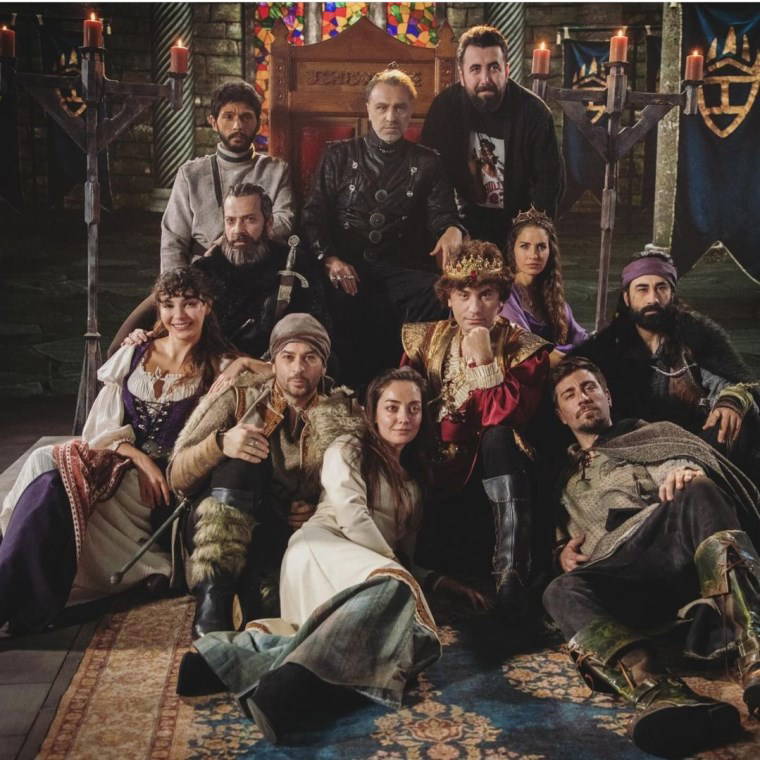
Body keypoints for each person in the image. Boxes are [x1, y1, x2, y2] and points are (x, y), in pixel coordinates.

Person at [175, 367, 487, 743]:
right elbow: (352, 515)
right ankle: (290, 693)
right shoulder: (348, 448)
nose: (404, 417)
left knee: (399, 643)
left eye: (414, 408)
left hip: (367, 569)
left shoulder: (413, 485)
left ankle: (221, 662)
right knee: (396, 607)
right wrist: (398, 577)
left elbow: (403, 555)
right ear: (371, 412)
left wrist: (437, 581)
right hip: (321, 550)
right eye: (392, 407)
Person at [544, 356, 760, 757]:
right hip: (618, 574)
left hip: (663, 540)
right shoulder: (560, 481)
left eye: (589, 387)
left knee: (699, 490)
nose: (583, 398)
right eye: (569, 394)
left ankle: (756, 649)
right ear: (561, 414)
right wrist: (560, 553)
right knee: (559, 590)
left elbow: (681, 462)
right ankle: (658, 692)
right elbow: (557, 537)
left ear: (608, 396)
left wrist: (687, 473)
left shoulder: (650, 434)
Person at [0, 268, 232, 634]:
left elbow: (271, 373)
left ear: (207, 306)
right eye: (168, 305)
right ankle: (20, 597)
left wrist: (244, 363)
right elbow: (100, 426)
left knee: (51, 485)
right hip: (122, 463)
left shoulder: (219, 366)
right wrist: (139, 458)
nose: (178, 315)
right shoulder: (135, 353)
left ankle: (21, 596)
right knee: (46, 474)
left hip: (159, 488)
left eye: (190, 304)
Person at [168, 313, 359, 638]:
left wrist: (319, 511)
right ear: (273, 362)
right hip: (217, 524)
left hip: (285, 531)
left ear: (323, 366)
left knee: (268, 620)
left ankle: (252, 598)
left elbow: (353, 484)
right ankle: (213, 603)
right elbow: (177, 476)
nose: (298, 368)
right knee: (243, 458)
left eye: (309, 358)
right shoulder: (238, 396)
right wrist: (220, 444)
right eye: (288, 357)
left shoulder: (343, 411)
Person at [402, 240, 550, 616]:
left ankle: (510, 574)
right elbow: (400, 396)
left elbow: (504, 414)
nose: (474, 308)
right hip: (430, 473)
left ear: (500, 300)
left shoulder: (524, 349)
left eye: (485, 295)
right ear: (448, 298)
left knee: (499, 437)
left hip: (489, 477)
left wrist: (484, 359)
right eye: (463, 295)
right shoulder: (423, 340)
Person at [302, 67, 466, 387]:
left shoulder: (428, 162)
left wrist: (452, 229)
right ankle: (344, 390)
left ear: (410, 112)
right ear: (368, 109)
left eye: (399, 108)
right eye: (382, 107)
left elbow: (443, 214)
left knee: (439, 293)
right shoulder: (337, 156)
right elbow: (312, 215)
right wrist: (330, 259)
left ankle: (414, 384)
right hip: (346, 268)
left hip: (401, 269)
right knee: (331, 297)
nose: (390, 117)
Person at [573, 248, 759, 480]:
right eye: (642, 289)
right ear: (627, 298)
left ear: (672, 293)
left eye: (661, 288)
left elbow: (733, 381)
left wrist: (730, 401)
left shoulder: (696, 338)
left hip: (699, 446)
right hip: (635, 451)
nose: (652, 298)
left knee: (737, 413)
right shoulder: (606, 351)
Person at [110, 183, 327, 361]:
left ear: (268, 223)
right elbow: (148, 325)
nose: (238, 230)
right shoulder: (205, 271)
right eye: (231, 221)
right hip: (212, 376)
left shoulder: (297, 266)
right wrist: (138, 337)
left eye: (249, 220)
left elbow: (318, 335)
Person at [421, 25, 564, 249]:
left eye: (493, 67)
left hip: (517, 227)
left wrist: (529, 236)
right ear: (461, 74)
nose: (485, 78)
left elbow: (548, 184)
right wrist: (447, 225)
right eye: (475, 69)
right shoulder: (444, 108)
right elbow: (430, 176)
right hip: (459, 224)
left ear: (507, 70)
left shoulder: (534, 113)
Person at [161, 80, 295, 271]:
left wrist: (225, 241)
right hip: (204, 271)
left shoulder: (276, 170)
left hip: (262, 270)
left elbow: (285, 221)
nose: (237, 125)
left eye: (246, 117)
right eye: (228, 117)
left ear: (259, 122)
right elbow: (173, 239)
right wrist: (175, 283)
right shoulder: (191, 174)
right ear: (213, 122)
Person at [500, 206, 587, 366]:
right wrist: (570, 351)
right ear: (513, 250)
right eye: (525, 246)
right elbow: (529, 350)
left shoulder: (552, 294)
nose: (534, 255)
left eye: (541, 247)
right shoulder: (505, 294)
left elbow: (581, 339)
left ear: (550, 251)